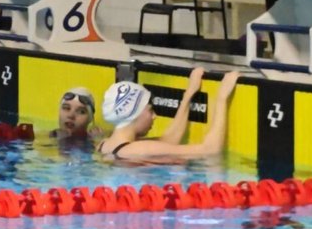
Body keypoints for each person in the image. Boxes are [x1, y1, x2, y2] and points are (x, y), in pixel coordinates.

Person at [96, 68, 240, 163]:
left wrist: (189, 94)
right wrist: (222, 98)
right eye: (150, 110)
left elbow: (168, 140)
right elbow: (210, 150)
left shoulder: (104, 144)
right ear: (133, 114)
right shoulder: (136, 150)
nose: (155, 116)